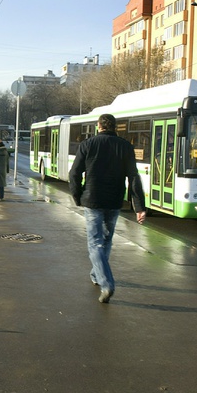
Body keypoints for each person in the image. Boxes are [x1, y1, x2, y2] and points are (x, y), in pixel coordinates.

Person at [68, 113, 146, 304]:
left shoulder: (88, 145)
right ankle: (96, 275)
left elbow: (74, 173)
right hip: (114, 201)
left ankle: (106, 283)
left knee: (95, 243)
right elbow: (133, 177)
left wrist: (77, 196)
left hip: (93, 200)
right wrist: (139, 206)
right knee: (106, 240)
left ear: (99, 126)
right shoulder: (125, 146)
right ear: (114, 127)